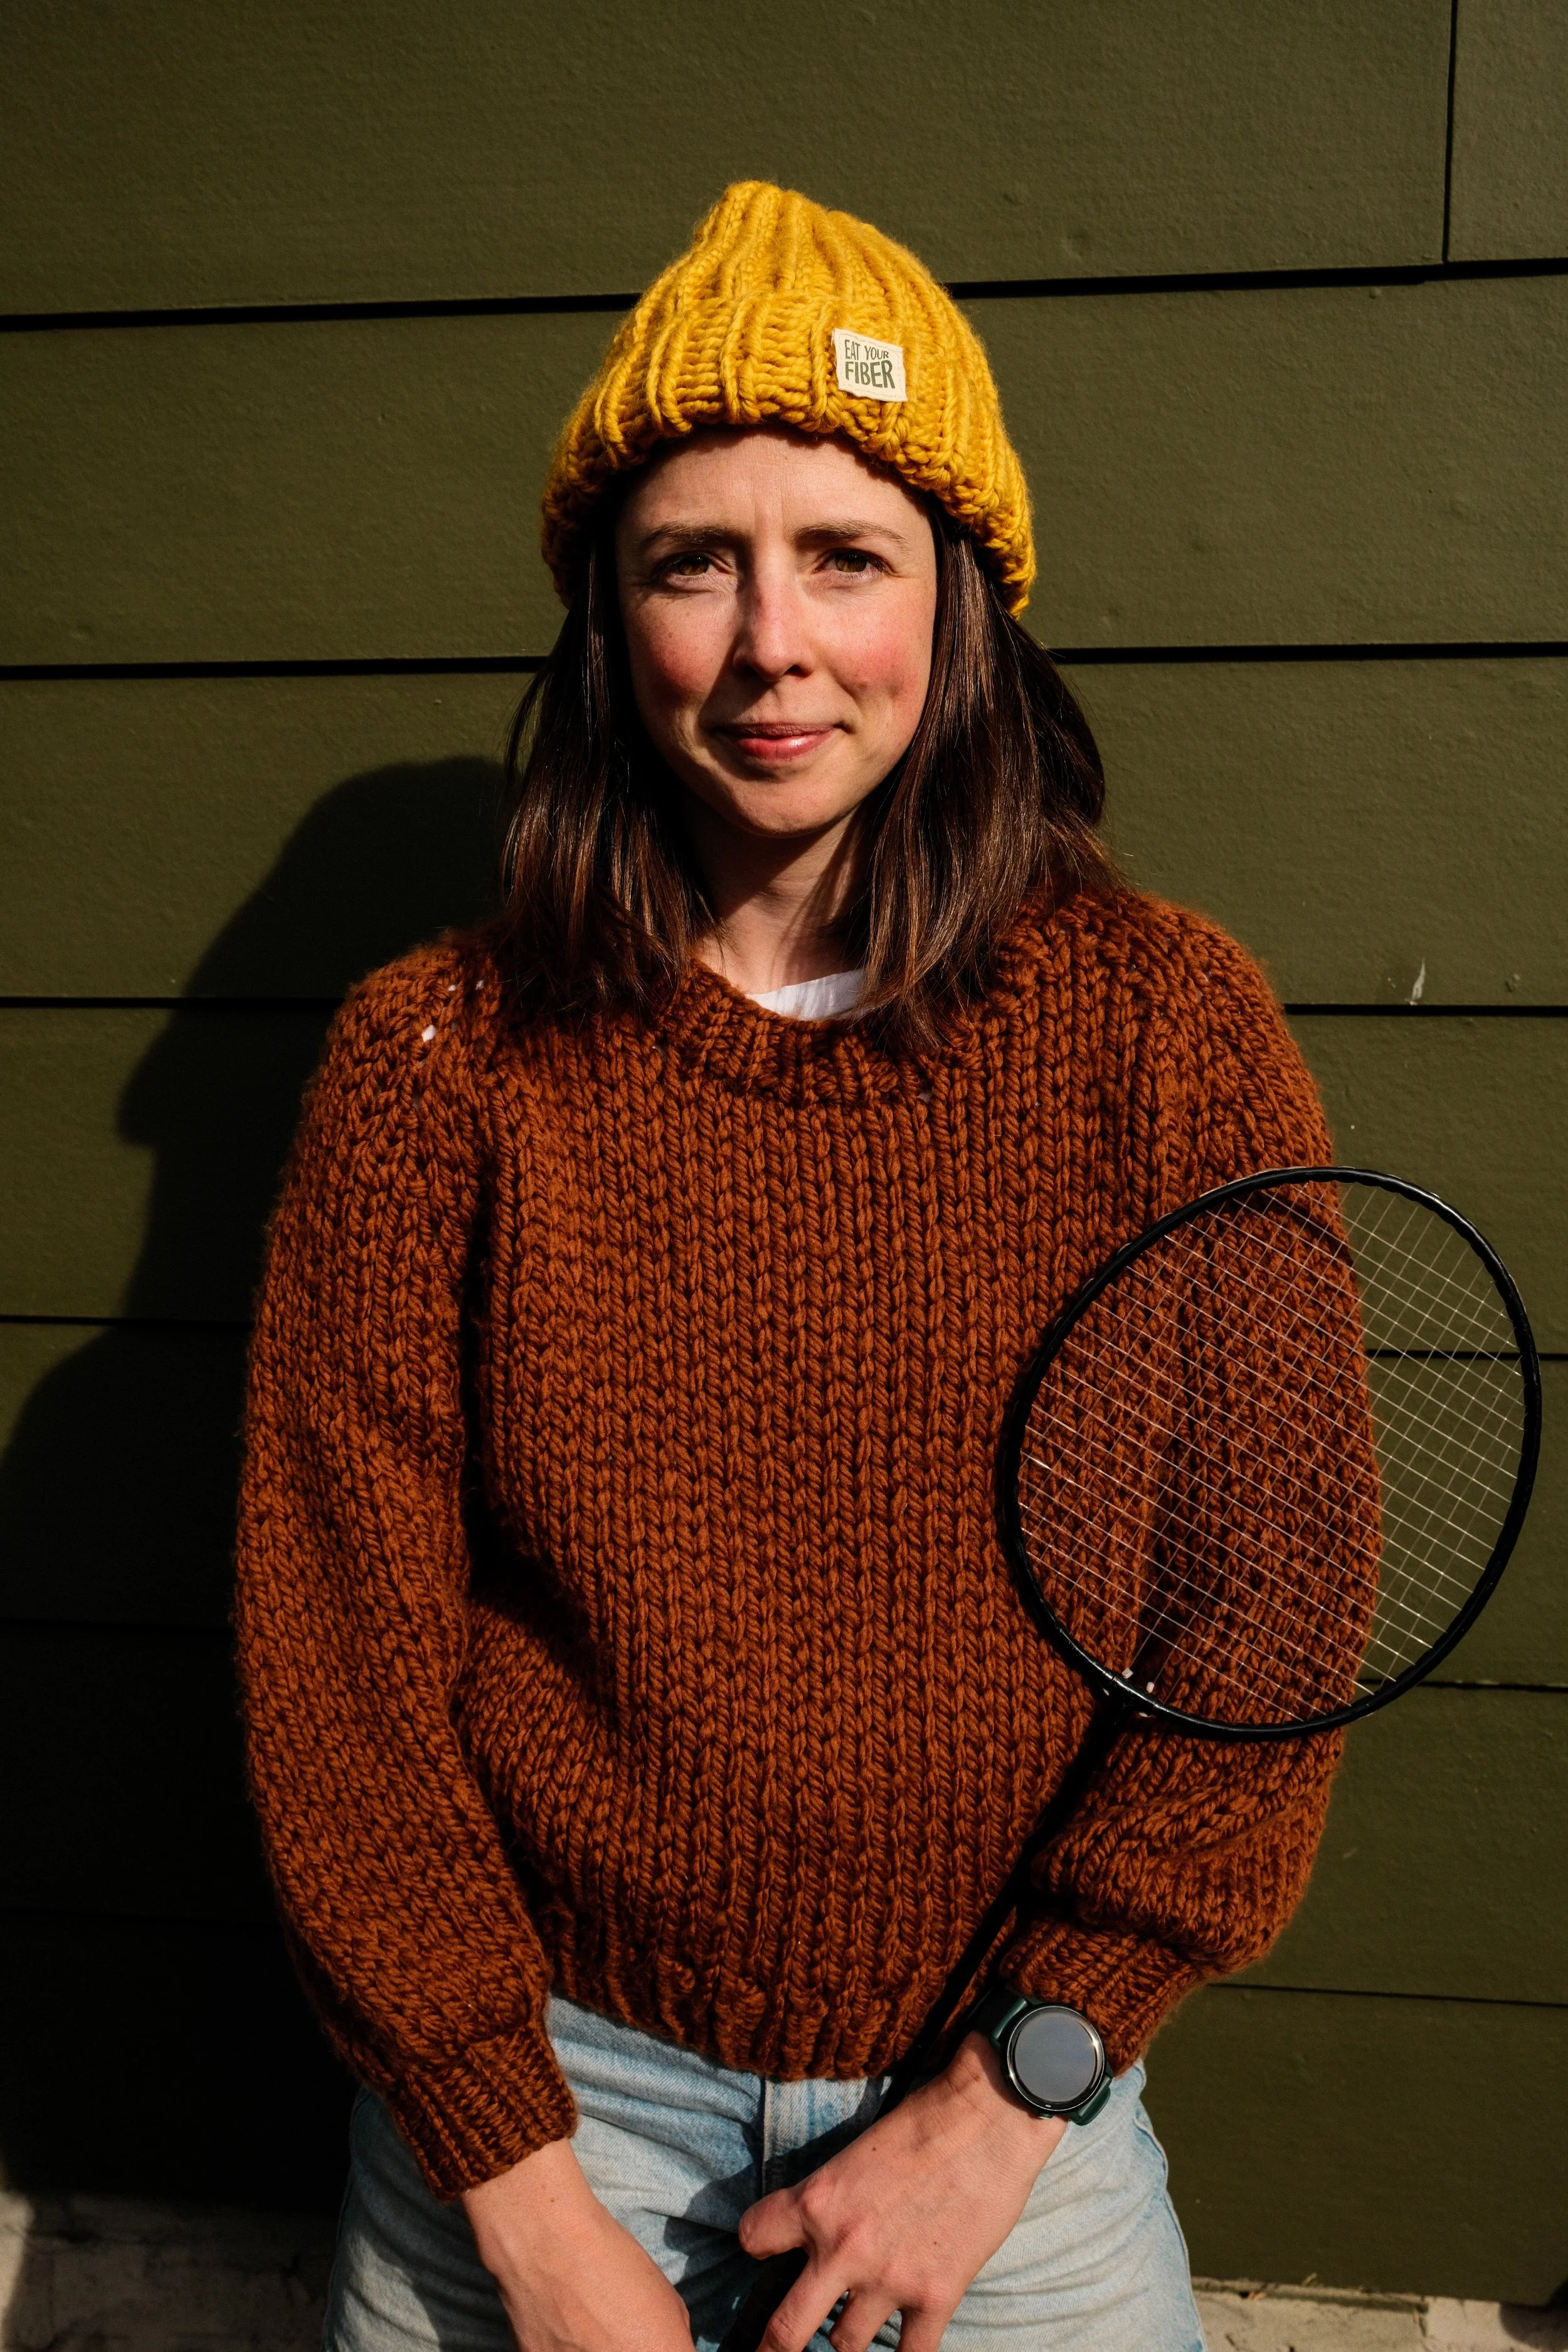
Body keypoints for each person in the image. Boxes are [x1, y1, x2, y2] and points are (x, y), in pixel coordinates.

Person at [236, 182, 1343, 2352]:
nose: (773, 644)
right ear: (606, 614)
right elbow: (342, 1685)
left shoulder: (1169, 1034)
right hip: (544, 2123)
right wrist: (532, 2219)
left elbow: (1266, 1616)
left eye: (846, 557)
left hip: (1009, 2120)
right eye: (693, 563)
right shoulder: (439, 1065)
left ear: (962, 603)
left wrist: (1014, 2090)